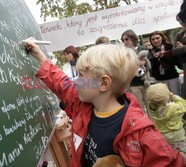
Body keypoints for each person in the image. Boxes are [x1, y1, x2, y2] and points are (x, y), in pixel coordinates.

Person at [24, 38, 184, 167]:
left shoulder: (144, 137)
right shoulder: (82, 106)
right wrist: (39, 55)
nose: (76, 81)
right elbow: (60, 82)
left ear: (103, 84)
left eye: (81, 76)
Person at [146, 83, 186, 160]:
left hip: (162, 135)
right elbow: (184, 105)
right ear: (167, 96)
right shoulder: (173, 108)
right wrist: (173, 96)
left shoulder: (152, 108)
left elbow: (154, 102)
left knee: (168, 153)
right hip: (176, 137)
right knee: (182, 154)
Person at [121, 29, 148, 111]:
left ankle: (153, 123)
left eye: (126, 39)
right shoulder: (123, 52)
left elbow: (151, 63)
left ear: (133, 38)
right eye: (123, 40)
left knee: (151, 106)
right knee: (139, 108)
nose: (125, 42)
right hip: (134, 83)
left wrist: (145, 62)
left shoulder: (142, 48)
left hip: (146, 82)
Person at [149, 31, 182, 95]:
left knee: (176, 96)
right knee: (163, 98)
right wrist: (155, 58)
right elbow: (152, 67)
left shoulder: (170, 47)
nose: (155, 40)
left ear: (162, 38)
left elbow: (175, 61)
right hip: (159, 79)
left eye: (157, 38)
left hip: (172, 77)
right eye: (153, 39)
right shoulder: (150, 51)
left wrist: (162, 57)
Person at [59, 45, 79, 118]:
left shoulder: (82, 62)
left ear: (73, 53)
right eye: (65, 55)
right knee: (63, 104)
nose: (66, 56)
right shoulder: (65, 66)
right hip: (72, 91)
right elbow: (65, 80)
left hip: (83, 90)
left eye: (68, 54)